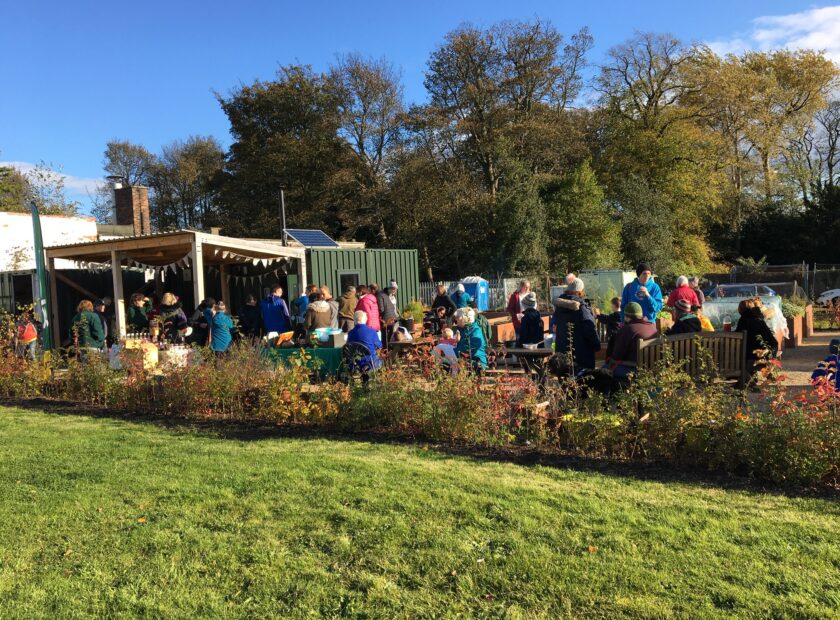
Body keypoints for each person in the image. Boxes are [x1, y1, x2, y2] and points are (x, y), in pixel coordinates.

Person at [552, 277, 600, 373]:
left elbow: (555, 327)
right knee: (583, 381)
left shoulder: (559, 307)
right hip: (582, 355)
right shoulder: (582, 308)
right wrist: (596, 345)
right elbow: (589, 329)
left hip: (562, 355)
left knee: (565, 381)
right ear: (579, 292)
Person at [605, 302, 658, 382]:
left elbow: (617, 356)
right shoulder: (653, 327)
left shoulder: (627, 329)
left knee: (604, 369)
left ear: (627, 317)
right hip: (653, 369)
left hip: (636, 370)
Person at [736, 297, 778, 378]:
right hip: (764, 354)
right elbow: (772, 340)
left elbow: (738, 334)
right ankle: (757, 375)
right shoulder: (758, 319)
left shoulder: (742, 320)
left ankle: (749, 377)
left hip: (749, 355)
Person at [454, 307, 487, 371]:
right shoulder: (461, 329)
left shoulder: (475, 330)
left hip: (476, 362)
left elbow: (473, 347)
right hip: (464, 362)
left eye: (458, 318)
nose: (456, 321)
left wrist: (456, 350)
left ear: (464, 319)